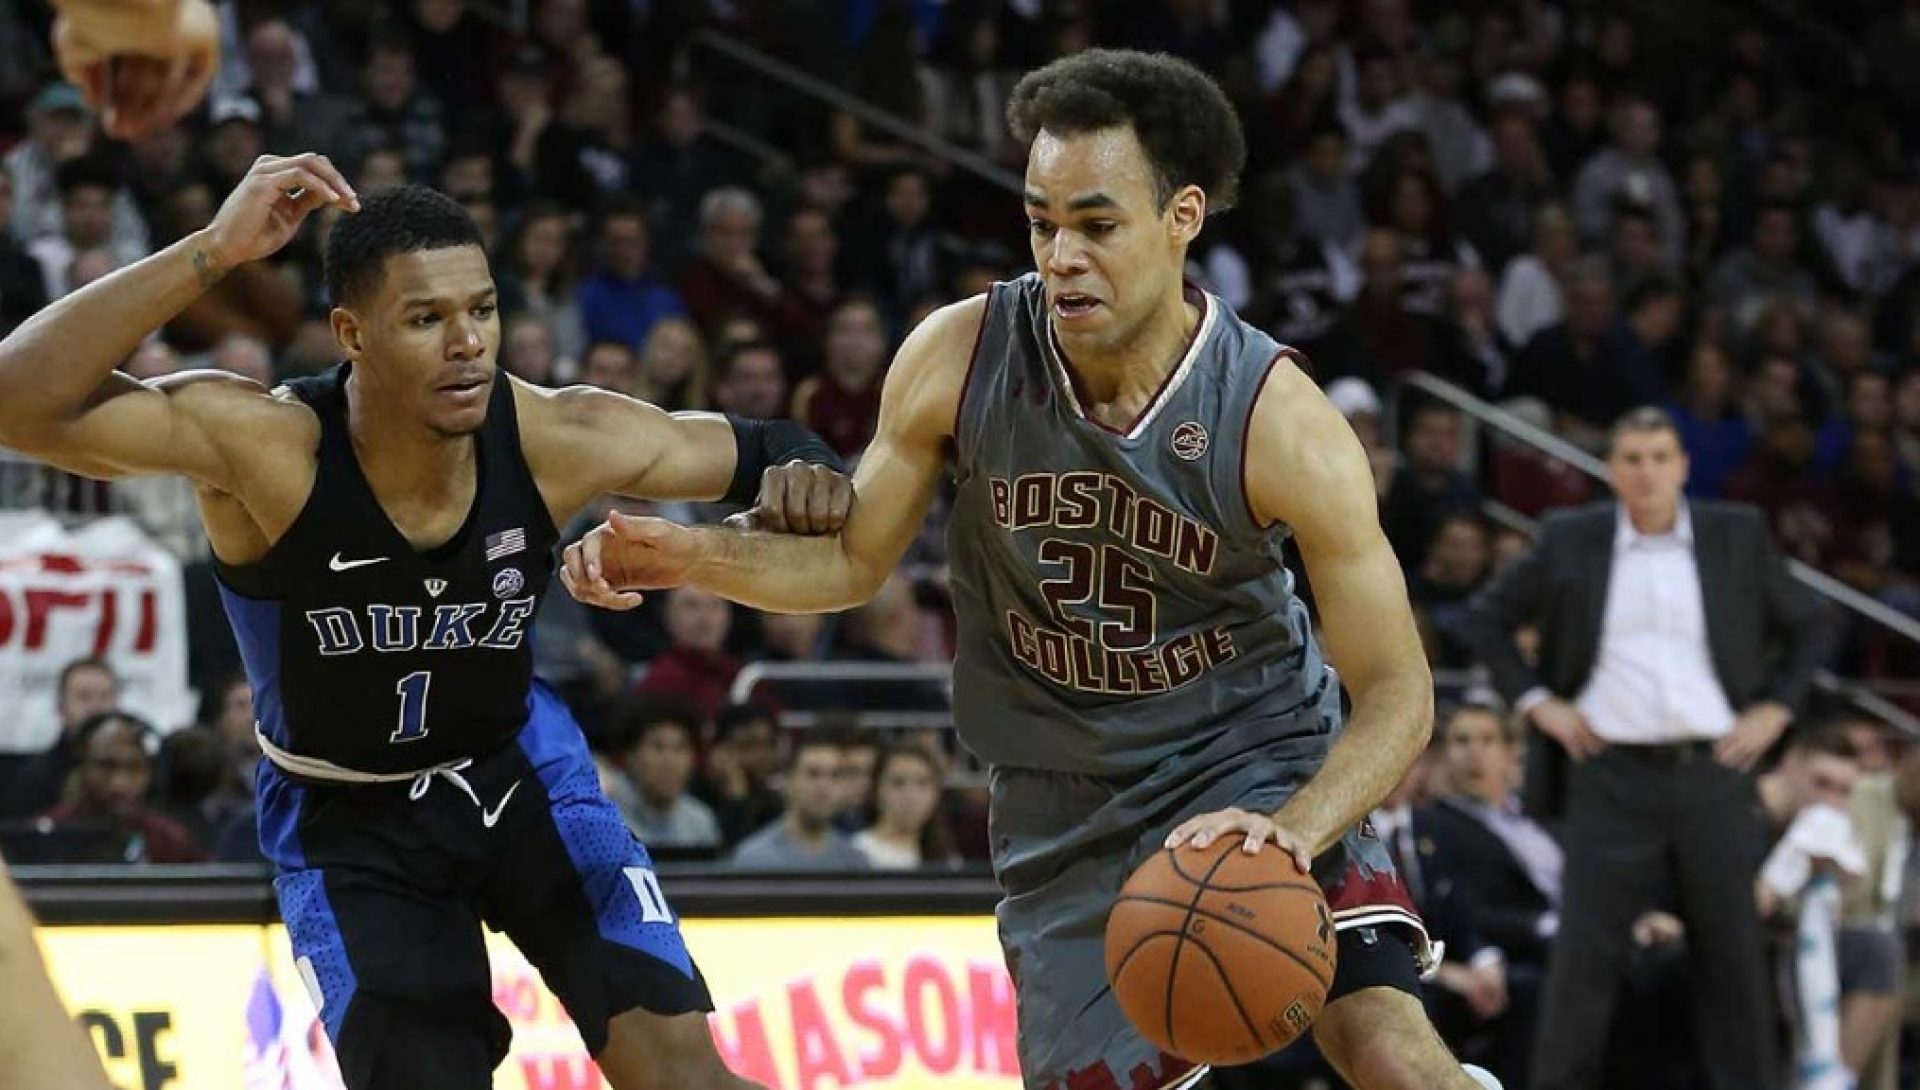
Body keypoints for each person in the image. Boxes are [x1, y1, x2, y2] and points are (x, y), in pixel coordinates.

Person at [567, 50, 1495, 1090]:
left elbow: (1401, 691)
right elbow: (848, 559)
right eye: (1041, 222)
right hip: (1063, 807)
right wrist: (690, 551)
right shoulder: (960, 355)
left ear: (1182, 216)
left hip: (1251, 759)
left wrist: (1288, 832)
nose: (1062, 256)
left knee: (1389, 1050)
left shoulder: (1281, 423)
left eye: (1097, 226)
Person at [0, 155, 853, 1090]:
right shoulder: (266, 447)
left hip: (521, 773)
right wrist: (212, 253)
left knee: (688, 1076)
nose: (468, 344)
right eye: (426, 318)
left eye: (481, 310)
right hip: (348, 817)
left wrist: (805, 464)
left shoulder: (552, 434)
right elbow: (17, 398)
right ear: (349, 333)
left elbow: (765, 444)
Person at [1460, 406, 1838, 1090]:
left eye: (1660, 457)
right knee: (1583, 965)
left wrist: (1776, 709)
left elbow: (1814, 623)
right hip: (1609, 775)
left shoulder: (1735, 534)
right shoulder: (1571, 537)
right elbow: (1485, 619)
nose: (1647, 472)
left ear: (1683, 466)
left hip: (1712, 771)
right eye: (1632, 458)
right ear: (1612, 469)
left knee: (1733, 966)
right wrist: (1540, 704)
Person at [728, 730, 869, 872]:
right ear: (789, 781)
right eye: (812, 774)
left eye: (835, 775)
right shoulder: (755, 859)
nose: (823, 787)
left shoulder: (855, 861)